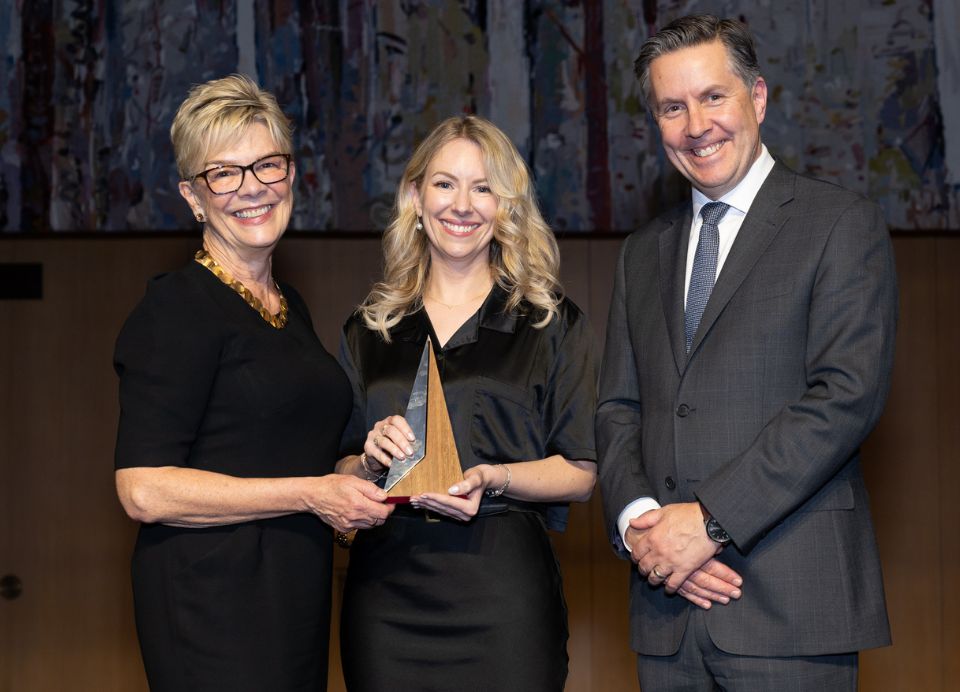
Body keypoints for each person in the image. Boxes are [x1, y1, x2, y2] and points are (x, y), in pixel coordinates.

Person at [596, 14, 897, 690]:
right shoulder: (642, 253)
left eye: (713, 97)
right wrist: (646, 530)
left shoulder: (840, 225)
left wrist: (708, 521)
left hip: (790, 610)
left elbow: (845, 397)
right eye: (673, 107)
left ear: (756, 98)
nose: (695, 124)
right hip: (666, 610)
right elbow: (618, 408)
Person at [113, 74, 391, 692]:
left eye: (267, 164)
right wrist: (312, 494)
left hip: (292, 592)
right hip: (211, 604)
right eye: (224, 173)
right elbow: (144, 491)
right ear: (193, 196)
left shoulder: (287, 305)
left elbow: (289, 451)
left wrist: (358, 474)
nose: (252, 188)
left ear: (292, 173)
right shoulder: (175, 308)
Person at [336, 114, 597, 691]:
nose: (463, 204)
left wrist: (494, 477)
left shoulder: (551, 322)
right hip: (386, 599)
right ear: (415, 195)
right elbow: (340, 467)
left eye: (484, 188)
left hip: (504, 599)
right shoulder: (368, 329)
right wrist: (370, 462)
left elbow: (580, 473)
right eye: (445, 183)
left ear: (507, 207)